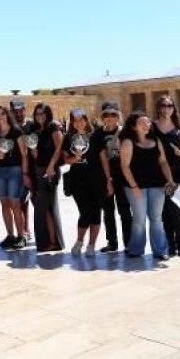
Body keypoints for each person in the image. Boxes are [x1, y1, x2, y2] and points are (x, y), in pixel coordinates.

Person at [120, 111, 176, 260]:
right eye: (142, 123)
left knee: (157, 218)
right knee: (139, 219)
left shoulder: (155, 140)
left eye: (148, 122)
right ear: (133, 127)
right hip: (136, 187)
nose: (146, 125)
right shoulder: (128, 142)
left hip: (157, 185)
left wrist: (170, 180)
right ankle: (136, 249)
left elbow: (163, 161)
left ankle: (160, 251)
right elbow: (124, 166)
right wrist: (134, 187)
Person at [62, 109, 110, 257]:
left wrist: (109, 180)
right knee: (85, 212)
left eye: (81, 119)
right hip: (78, 181)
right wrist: (76, 157)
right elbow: (66, 160)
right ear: (72, 123)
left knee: (96, 213)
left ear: (86, 120)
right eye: (75, 120)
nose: (79, 122)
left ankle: (91, 245)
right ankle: (79, 241)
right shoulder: (68, 138)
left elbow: (103, 159)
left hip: (97, 180)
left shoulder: (95, 136)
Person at [152, 95, 180, 257]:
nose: (166, 108)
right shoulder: (153, 126)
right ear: (158, 107)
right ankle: (170, 244)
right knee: (165, 209)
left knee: (175, 206)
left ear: (174, 107)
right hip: (161, 171)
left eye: (169, 105)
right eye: (163, 105)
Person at [0, 105, 30, 248]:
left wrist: (25, 173)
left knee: (15, 203)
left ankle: (21, 236)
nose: (0, 116)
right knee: (4, 204)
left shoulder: (16, 131)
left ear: (7, 115)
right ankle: (10, 235)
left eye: (2, 113)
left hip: (15, 170)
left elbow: (24, 155)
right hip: (0, 171)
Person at [96, 102, 131, 253]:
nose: (109, 118)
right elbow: (99, 158)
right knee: (108, 211)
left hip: (123, 177)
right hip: (105, 177)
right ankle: (112, 242)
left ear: (118, 116)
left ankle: (129, 243)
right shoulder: (98, 135)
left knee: (124, 211)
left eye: (113, 114)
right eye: (106, 115)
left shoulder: (125, 133)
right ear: (102, 117)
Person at [29, 103, 65, 252]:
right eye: (37, 114)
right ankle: (52, 241)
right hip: (39, 170)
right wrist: (35, 153)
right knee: (47, 209)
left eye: (43, 113)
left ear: (48, 114)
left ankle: (51, 242)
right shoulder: (37, 130)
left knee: (42, 208)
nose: (40, 116)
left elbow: (59, 148)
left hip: (50, 171)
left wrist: (51, 166)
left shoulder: (53, 127)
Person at [10, 100, 33, 243]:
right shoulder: (10, 128)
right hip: (15, 168)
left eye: (20, 111)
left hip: (31, 167)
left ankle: (28, 229)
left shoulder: (31, 126)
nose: (18, 114)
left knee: (29, 201)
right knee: (19, 201)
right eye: (15, 112)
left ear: (25, 110)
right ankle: (23, 230)